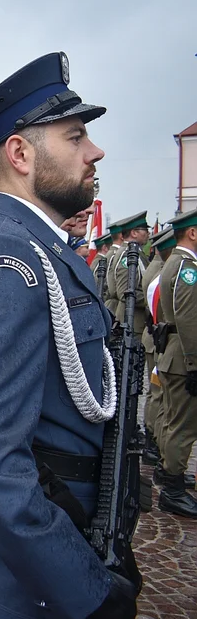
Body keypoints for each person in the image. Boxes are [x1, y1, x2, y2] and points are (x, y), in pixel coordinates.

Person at [0, 52, 138, 619]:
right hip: (16, 587)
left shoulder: (42, 250)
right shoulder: (5, 261)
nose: (94, 151)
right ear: (21, 155)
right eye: (75, 136)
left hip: (43, 560)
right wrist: (84, 584)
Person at [155, 209, 197, 518]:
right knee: (183, 427)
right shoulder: (187, 268)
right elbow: (187, 320)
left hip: (174, 356)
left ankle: (173, 477)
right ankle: (173, 490)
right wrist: (195, 365)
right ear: (192, 233)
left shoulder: (176, 263)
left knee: (173, 423)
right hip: (183, 359)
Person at [144, 229, 175, 471]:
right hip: (162, 342)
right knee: (160, 395)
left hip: (159, 340)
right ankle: (154, 442)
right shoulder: (165, 273)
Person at [105, 212, 149, 319]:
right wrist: (151, 300)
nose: (149, 233)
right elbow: (125, 292)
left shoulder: (132, 251)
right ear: (134, 233)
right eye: (145, 230)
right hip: (132, 320)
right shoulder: (127, 254)